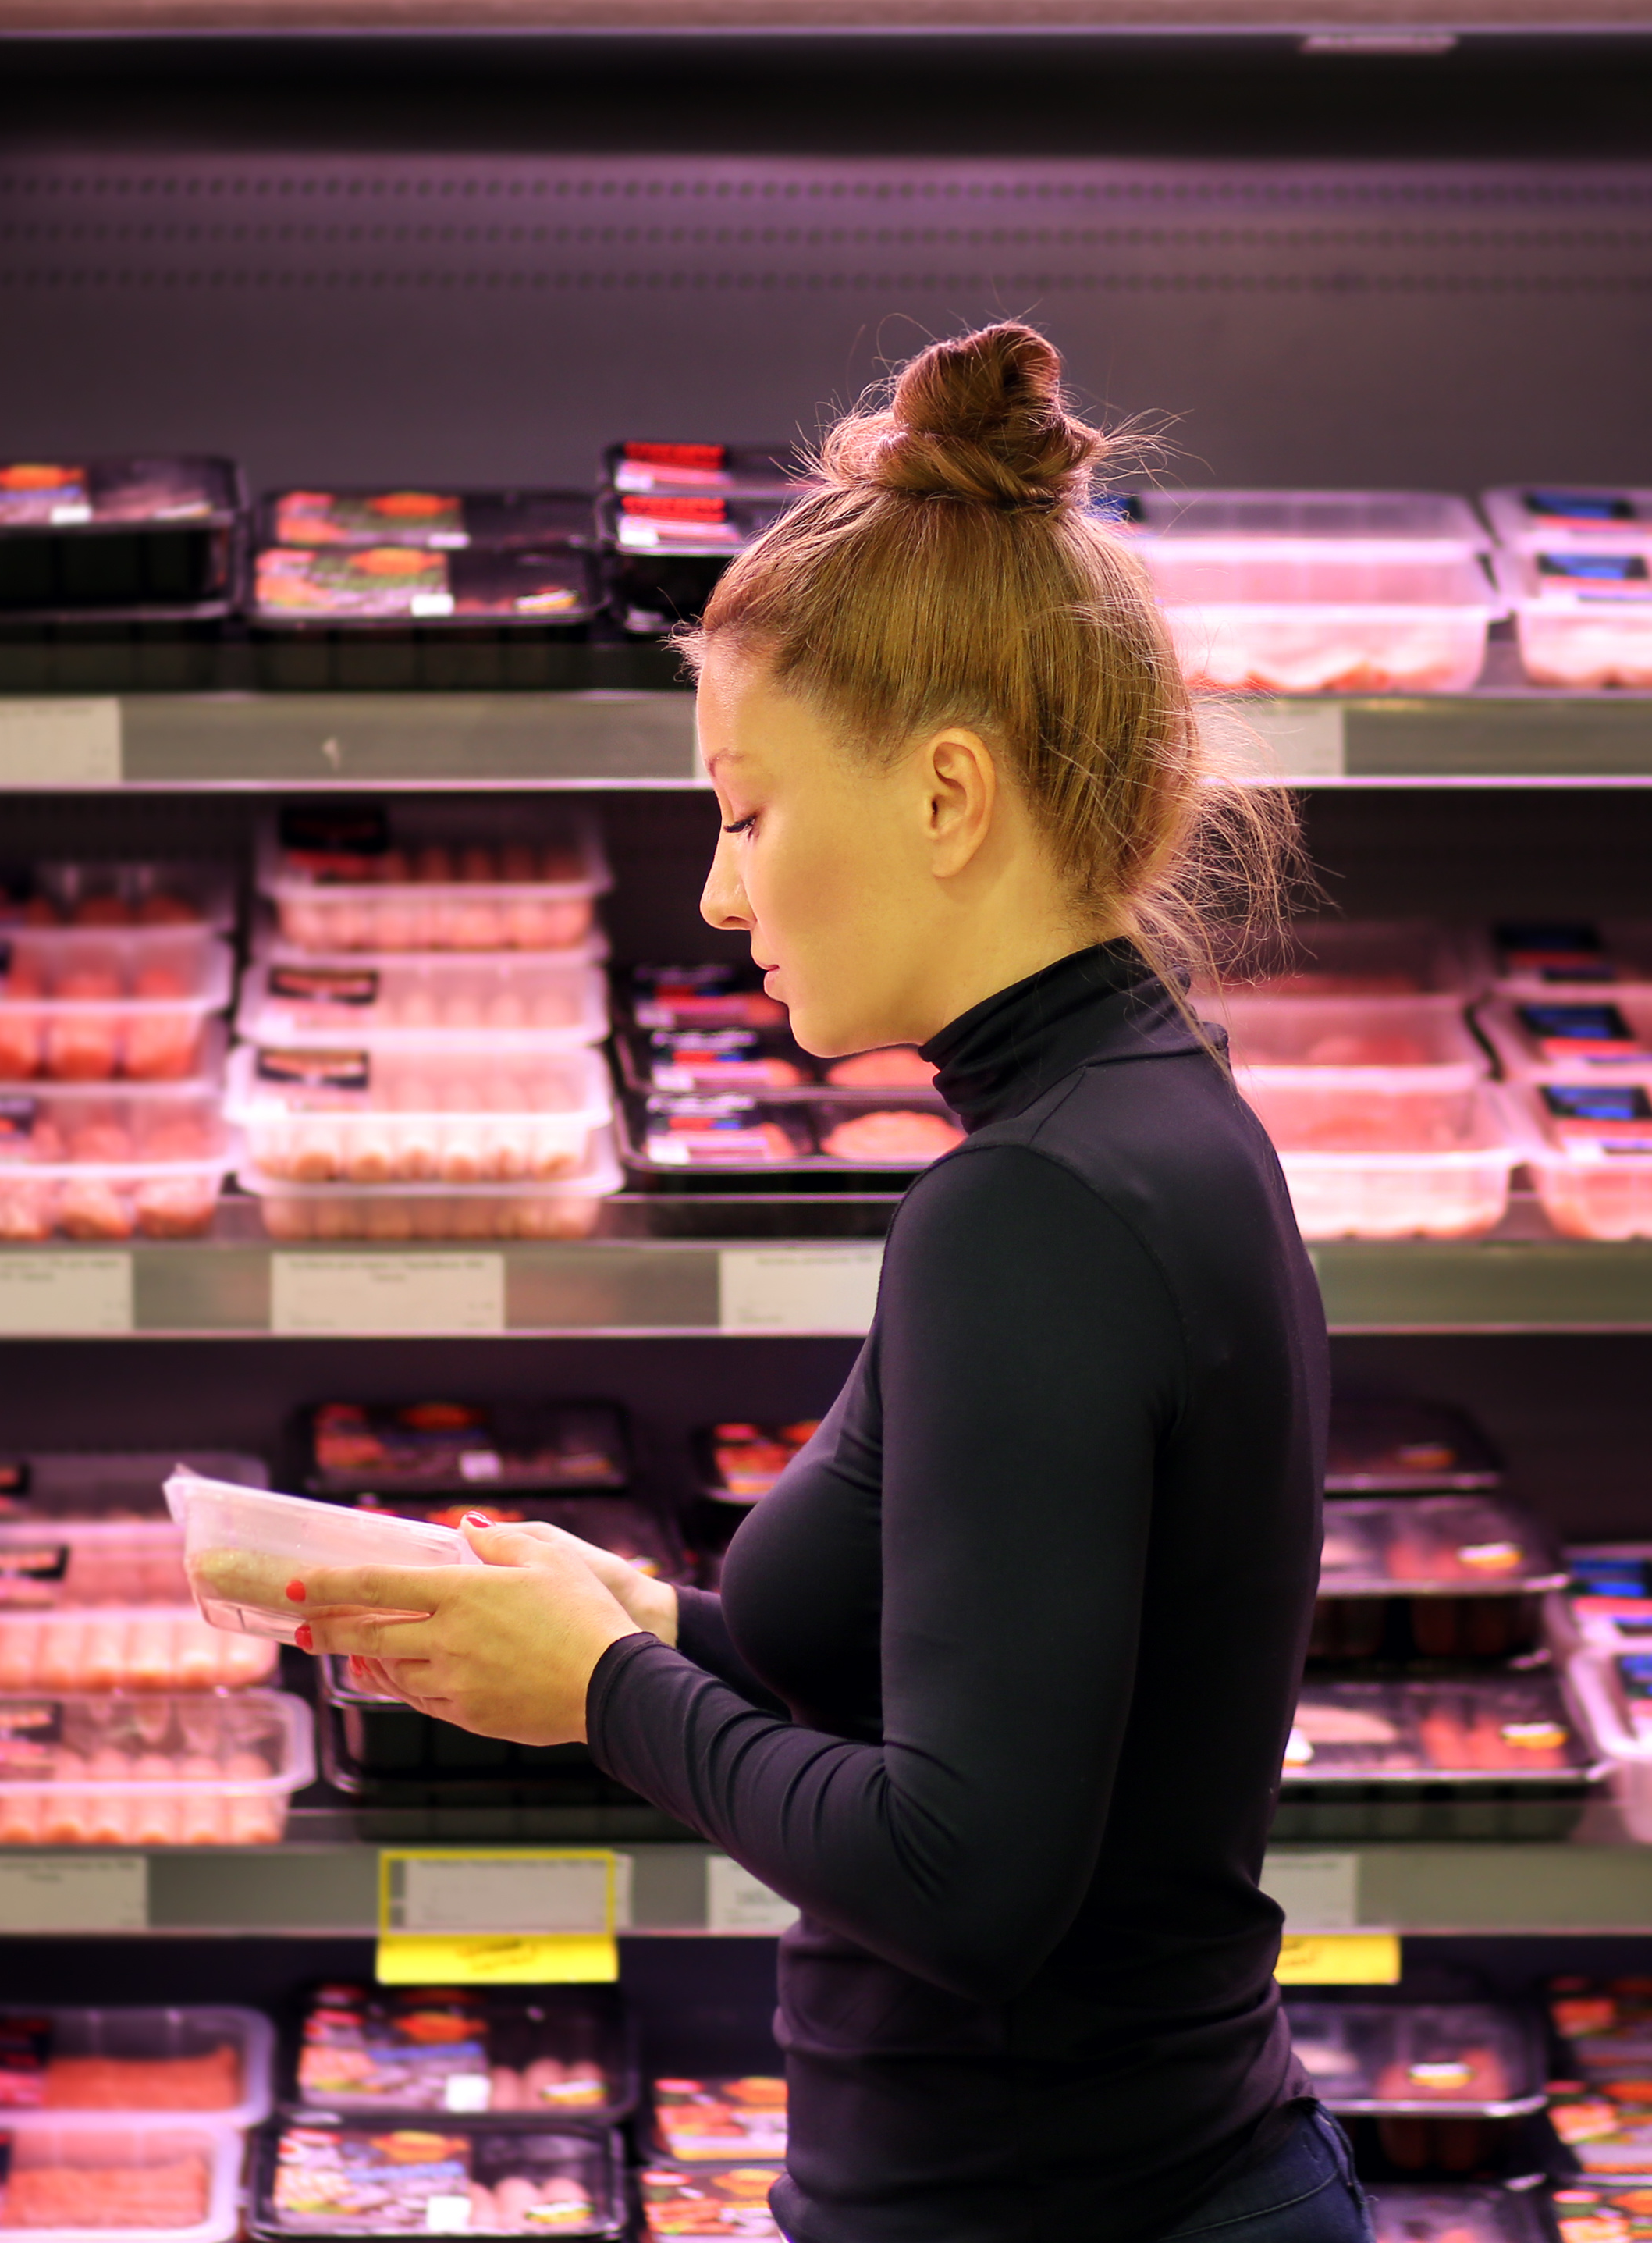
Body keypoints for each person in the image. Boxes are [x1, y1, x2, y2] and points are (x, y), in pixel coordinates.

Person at [297, 323, 1355, 2243]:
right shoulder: (1158, 1114)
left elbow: (964, 1871)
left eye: (748, 808)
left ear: (946, 798)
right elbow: (1000, 1713)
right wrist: (639, 1628)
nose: (716, 890)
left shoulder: (1023, 1210)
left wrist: (611, 1692)